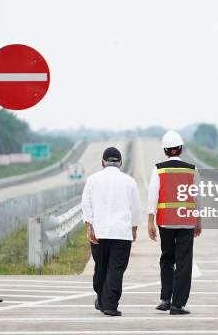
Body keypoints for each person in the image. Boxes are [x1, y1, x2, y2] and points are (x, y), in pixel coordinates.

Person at [81, 147, 140, 317]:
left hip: (99, 231)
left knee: (101, 267)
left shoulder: (92, 180)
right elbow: (135, 209)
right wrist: (134, 228)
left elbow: (86, 204)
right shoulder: (129, 181)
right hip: (121, 233)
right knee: (116, 269)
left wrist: (89, 227)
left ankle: (101, 299)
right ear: (121, 163)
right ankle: (110, 305)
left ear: (102, 163)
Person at [148, 130, 201, 315]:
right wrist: (198, 220)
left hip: (165, 222)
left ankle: (165, 299)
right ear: (180, 148)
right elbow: (198, 197)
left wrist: (150, 221)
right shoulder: (192, 169)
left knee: (167, 259)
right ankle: (178, 304)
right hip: (186, 221)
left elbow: (152, 194)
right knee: (184, 262)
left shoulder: (159, 169)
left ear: (165, 150)